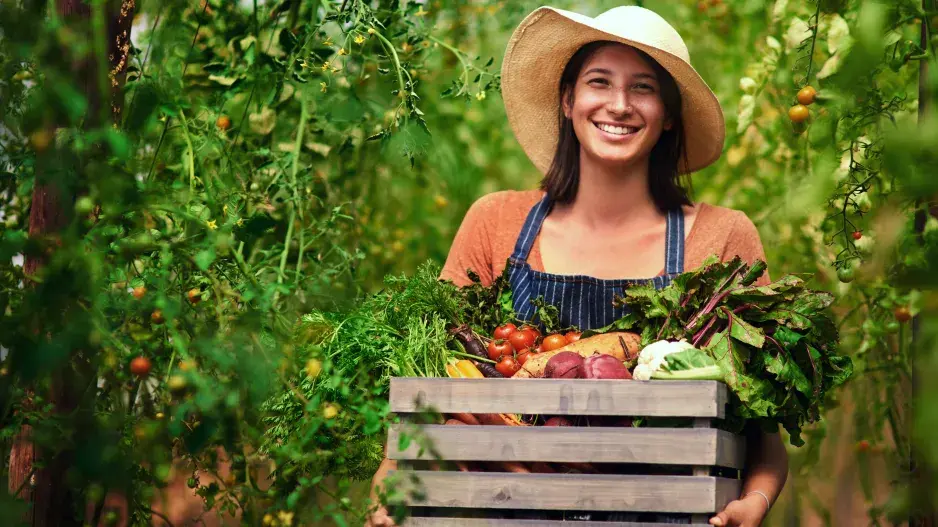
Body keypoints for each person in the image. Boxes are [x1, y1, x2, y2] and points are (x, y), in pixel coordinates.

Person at [367, 5, 788, 526]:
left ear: (670, 114)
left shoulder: (722, 238)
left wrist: (757, 502)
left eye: (643, 88)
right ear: (568, 100)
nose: (619, 105)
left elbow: (762, 429)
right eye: (599, 82)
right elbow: (428, 390)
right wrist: (389, 481)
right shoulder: (495, 223)